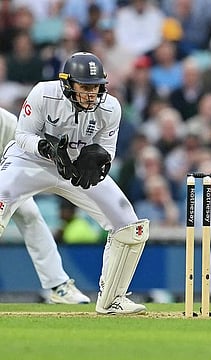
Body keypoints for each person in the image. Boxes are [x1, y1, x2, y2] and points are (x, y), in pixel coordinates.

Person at [0, 52, 149, 315]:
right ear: (68, 84)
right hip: (30, 161)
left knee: (130, 225)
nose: (91, 93)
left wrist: (99, 161)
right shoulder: (43, 93)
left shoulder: (111, 107)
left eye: (96, 87)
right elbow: (22, 135)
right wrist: (45, 149)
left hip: (75, 168)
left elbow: (107, 150)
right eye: (85, 86)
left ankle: (113, 299)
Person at [0, 107, 90, 304]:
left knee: (30, 214)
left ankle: (59, 286)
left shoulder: (6, 121)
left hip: (5, 178)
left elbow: (20, 159)